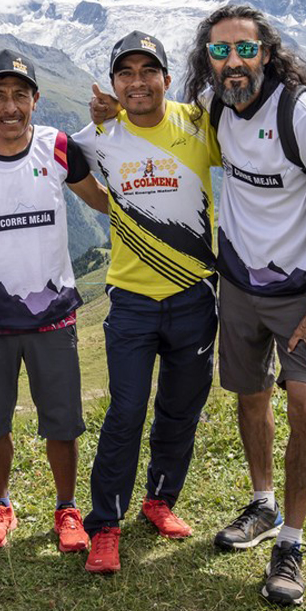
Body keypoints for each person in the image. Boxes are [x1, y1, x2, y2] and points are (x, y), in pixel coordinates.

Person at [183, 4, 306, 605]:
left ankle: (293, 541)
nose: (233, 62)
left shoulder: (300, 114)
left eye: (245, 49)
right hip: (238, 286)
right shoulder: (215, 108)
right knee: (250, 396)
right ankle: (262, 505)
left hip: (298, 295)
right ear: (208, 59)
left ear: (268, 53)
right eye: (220, 51)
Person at [0, 49, 108, 552]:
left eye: (19, 95)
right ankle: (0, 504)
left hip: (52, 315)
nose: (10, 107)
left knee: (63, 420)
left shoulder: (57, 148)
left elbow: (101, 199)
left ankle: (66, 507)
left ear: (36, 99)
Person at [74, 32, 221, 573]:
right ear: (113, 83)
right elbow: (62, 164)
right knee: (126, 411)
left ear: (165, 76)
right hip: (132, 301)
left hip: (196, 296)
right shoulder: (98, 135)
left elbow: (261, 156)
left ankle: (159, 501)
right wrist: (111, 207)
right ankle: (106, 525)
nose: (137, 82)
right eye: (125, 73)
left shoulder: (198, 123)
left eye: (147, 71)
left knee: (181, 409)